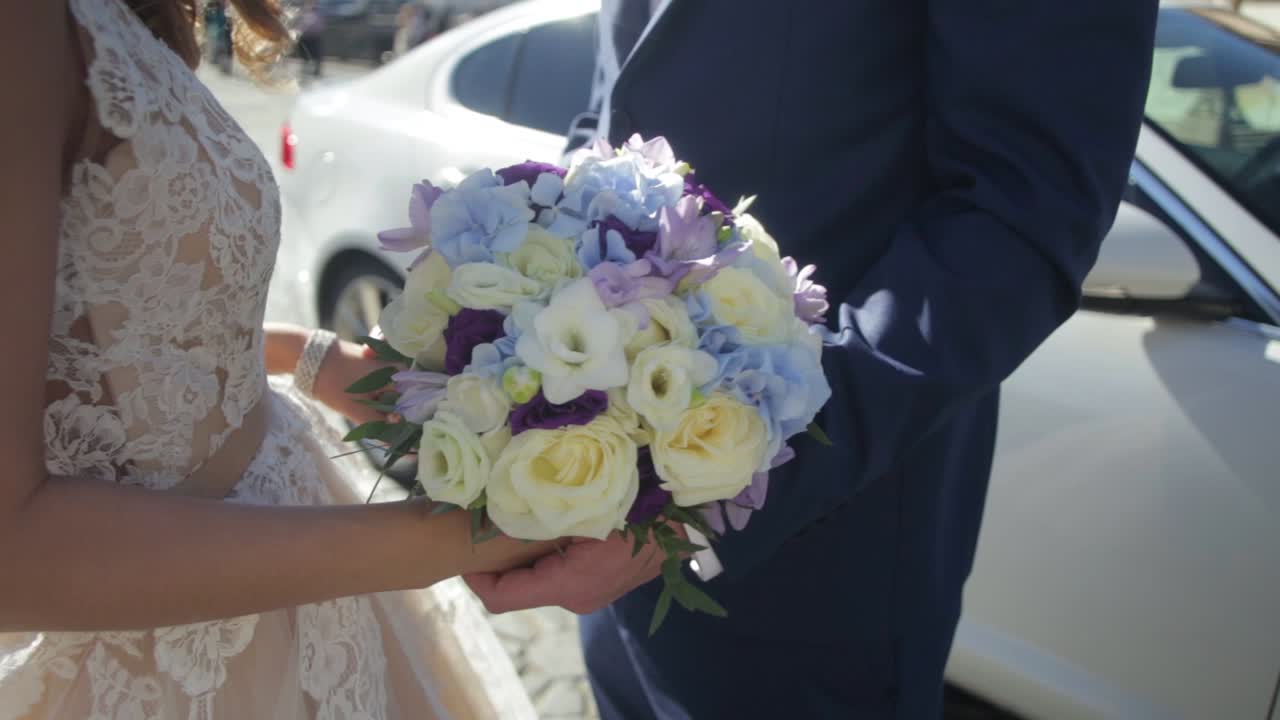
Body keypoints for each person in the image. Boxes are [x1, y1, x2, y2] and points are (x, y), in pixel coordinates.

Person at [465, 1, 1161, 718]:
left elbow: (1020, 214)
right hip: (608, 545)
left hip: (812, 566)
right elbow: (617, 108)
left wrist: (708, 497)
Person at [0, 2, 554, 718]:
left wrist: (303, 357)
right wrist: (461, 539)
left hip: (299, 568)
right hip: (157, 667)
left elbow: (88, 323)